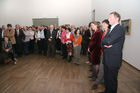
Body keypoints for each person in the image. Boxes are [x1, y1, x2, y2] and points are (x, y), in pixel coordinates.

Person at [101, 12, 125, 93]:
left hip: (113, 60)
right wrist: (106, 43)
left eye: (110, 18)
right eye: (108, 18)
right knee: (107, 79)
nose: (108, 19)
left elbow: (108, 41)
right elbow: (102, 42)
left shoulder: (120, 28)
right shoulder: (110, 29)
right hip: (107, 58)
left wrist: (107, 43)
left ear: (117, 19)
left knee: (112, 80)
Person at [92, 19, 110, 90]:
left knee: (103, 68)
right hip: (102, 52)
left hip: (106, 54)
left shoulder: (108, 32)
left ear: (107, 25)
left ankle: (97, 82)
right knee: (102, 68)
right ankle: (100, 81)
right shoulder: (104, 32)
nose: (102, 25)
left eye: (103, 24)